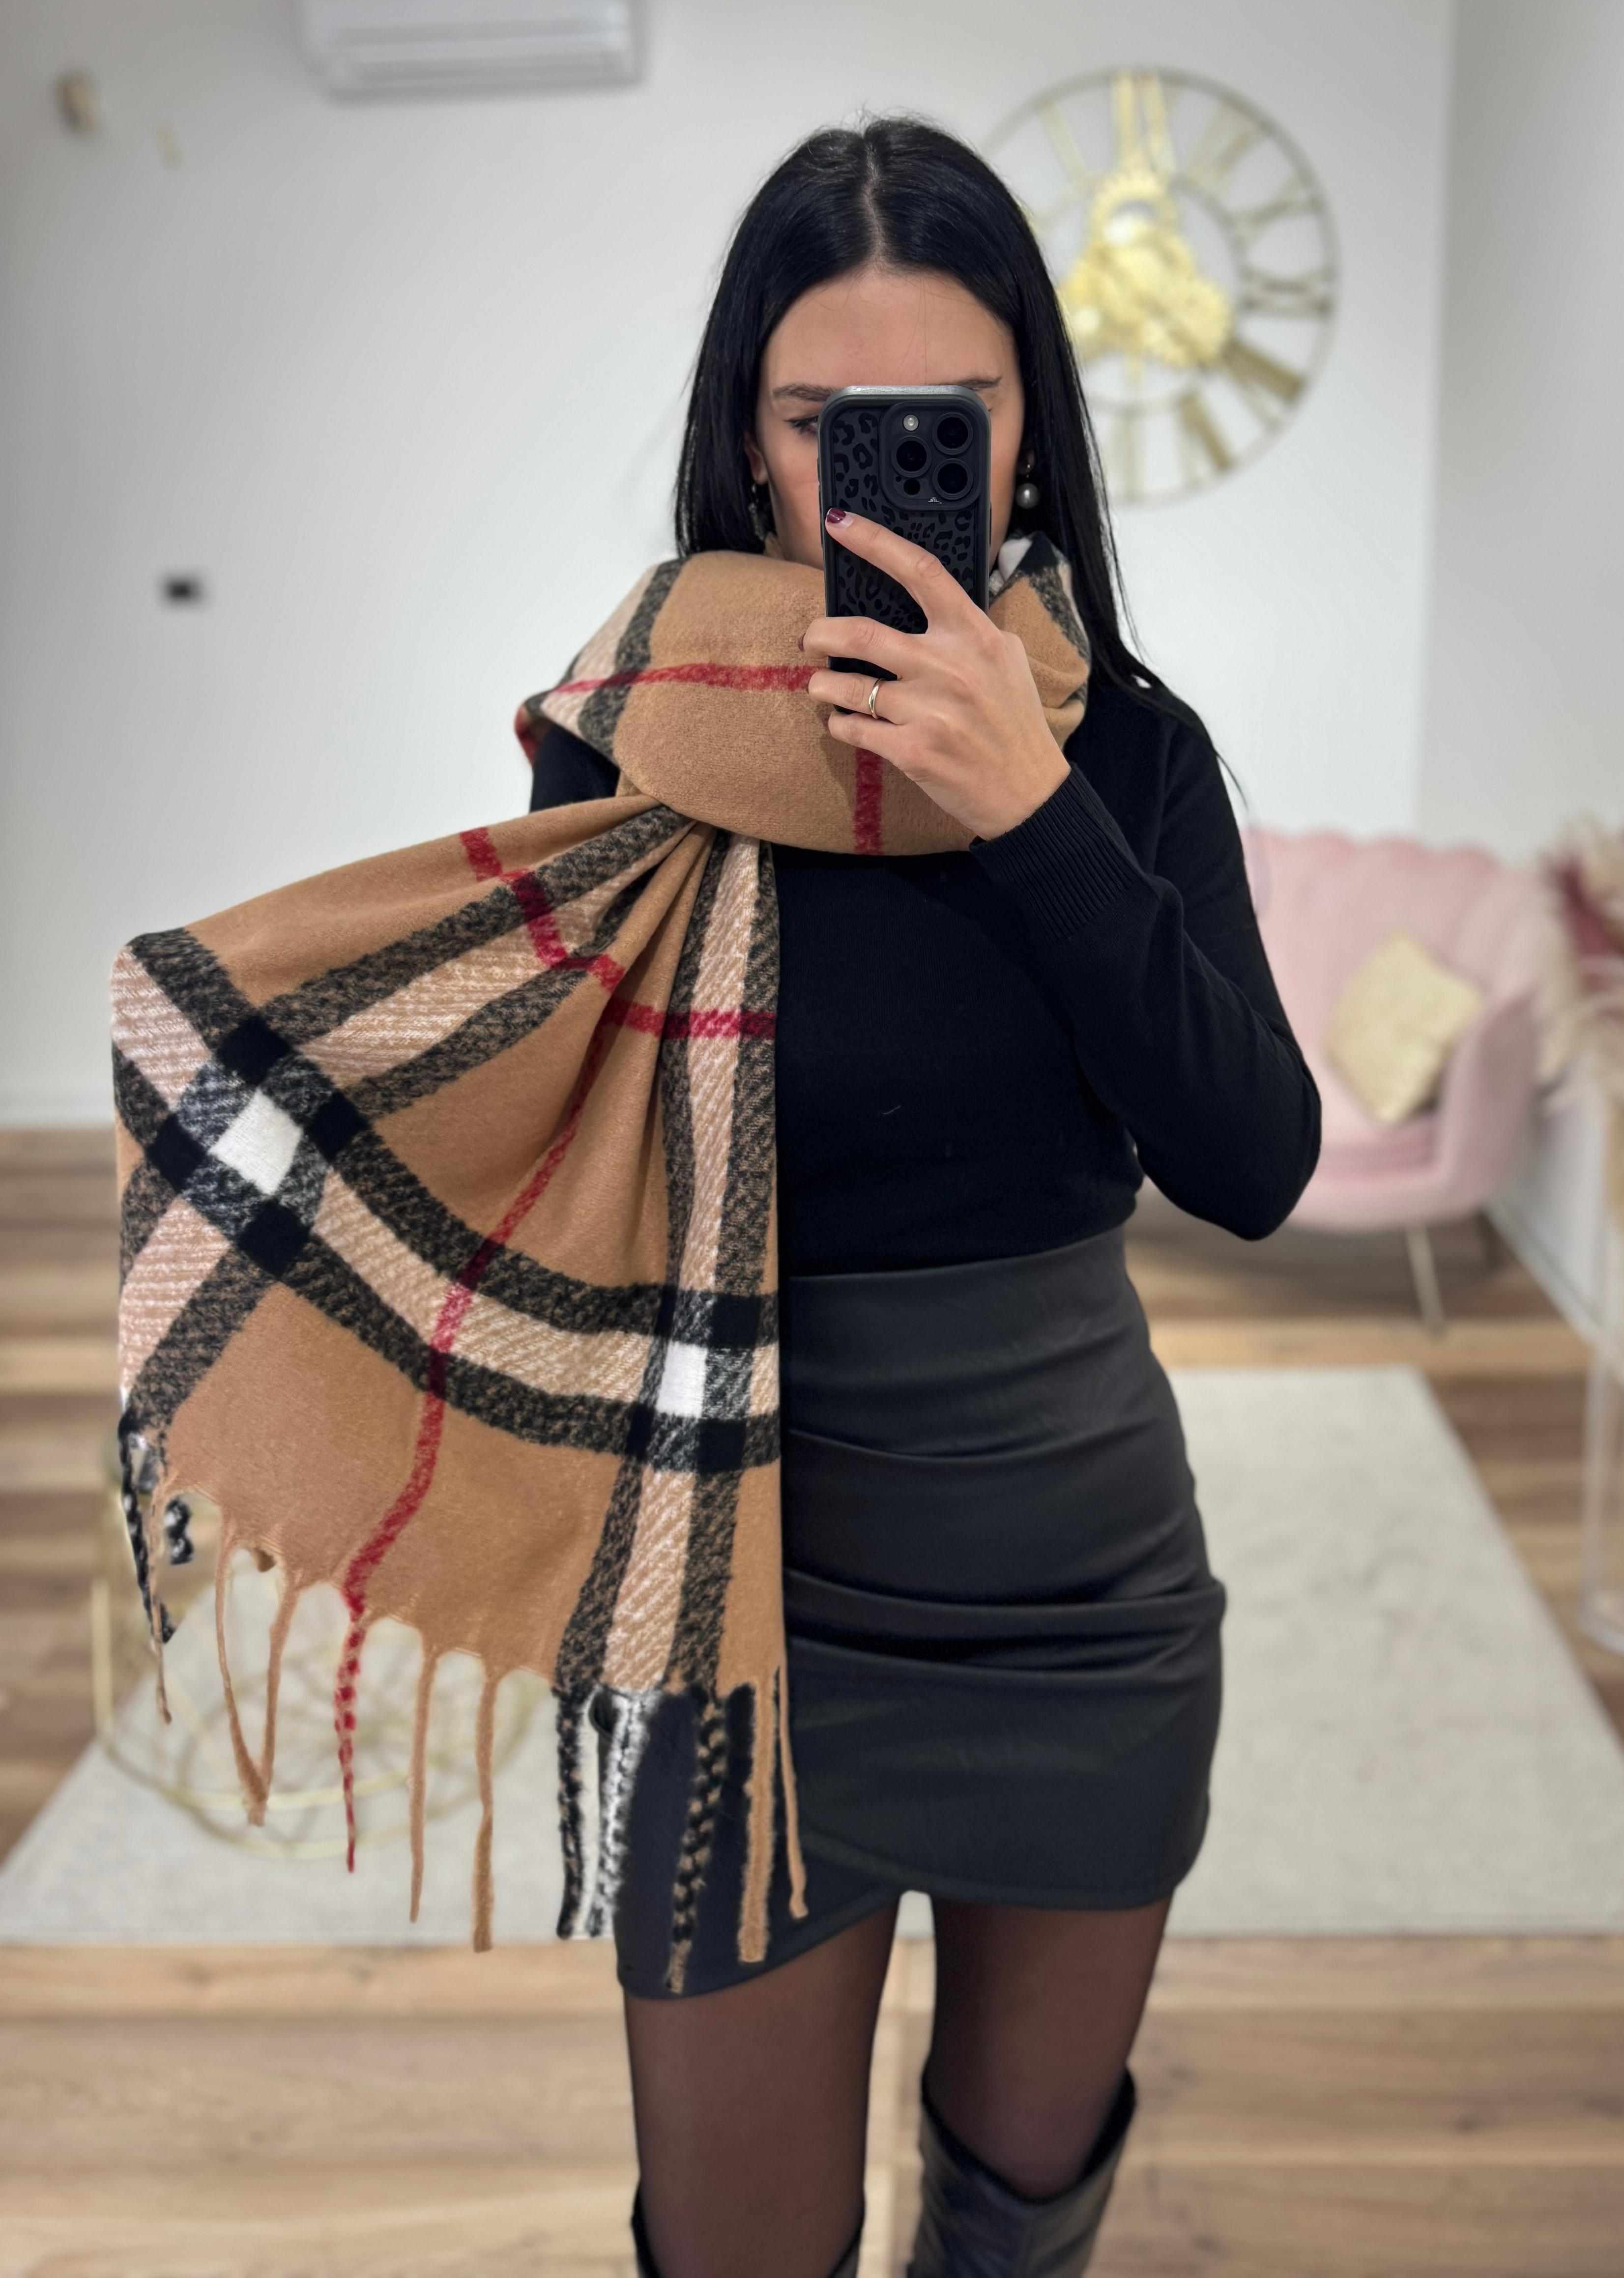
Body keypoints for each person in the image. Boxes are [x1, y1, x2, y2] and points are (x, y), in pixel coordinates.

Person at [528, 117, 1321, 2278]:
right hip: (742, 1603)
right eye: (825, 421)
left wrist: (1030, 805)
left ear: (1028, 426)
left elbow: (1254, 1162)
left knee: (1015, 2223)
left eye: (947, 414)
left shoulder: (1126, 751)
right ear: (750, 438)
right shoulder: (633, 743)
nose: (881, 473)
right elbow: (560, 1156)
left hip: (1081, 1604)